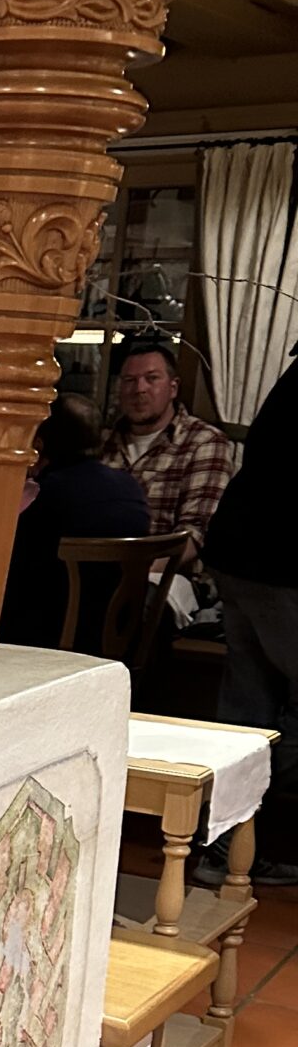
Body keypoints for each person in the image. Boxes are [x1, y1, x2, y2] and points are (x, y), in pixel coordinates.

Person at [204, 348, 298, 881]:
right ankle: (233, 838)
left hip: (240, 551)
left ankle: (223, 847)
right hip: (282, 563)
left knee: (246, 710)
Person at [0, 397, 151, 649]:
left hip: (47, 645)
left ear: (38, 445)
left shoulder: (41, 496)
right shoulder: (130, 488)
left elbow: (4, 569)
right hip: (120, 643)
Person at [100, 338, 234, 569]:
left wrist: (137, 574)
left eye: (152, 378)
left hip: (167, 575)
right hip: (98, 569)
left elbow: (196, 532)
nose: (139, 389)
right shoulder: (102, 442)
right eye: (130, 380)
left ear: (173, 388)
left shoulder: (203, 441)